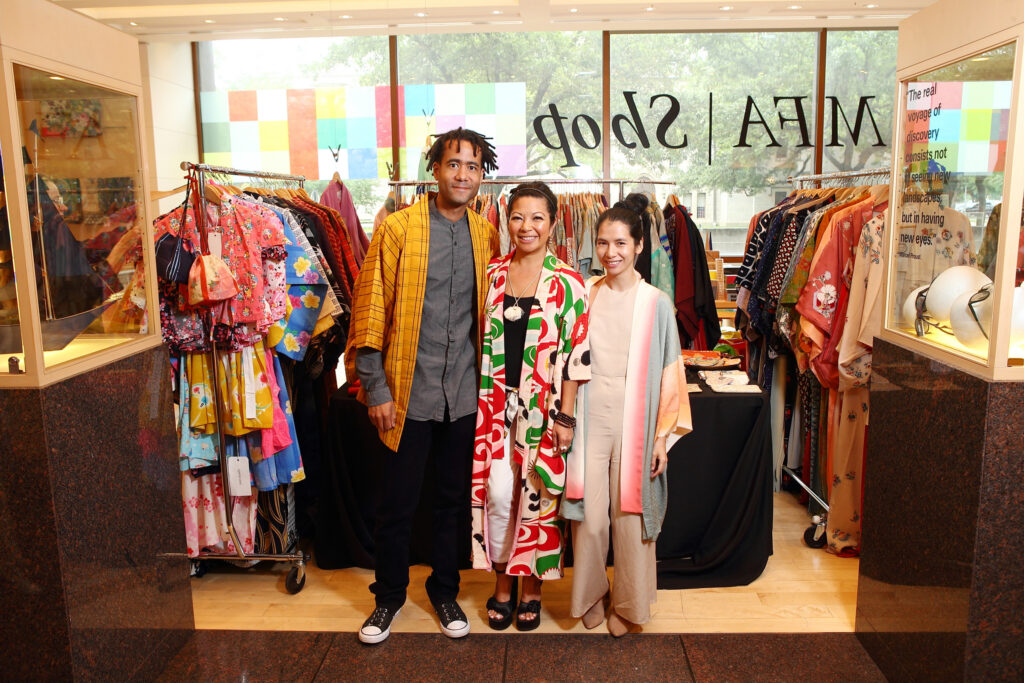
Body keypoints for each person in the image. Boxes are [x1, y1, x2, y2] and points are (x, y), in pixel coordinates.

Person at [345, 128, 500, 644]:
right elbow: (370, 309)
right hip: (407, 391)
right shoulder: (399, 228)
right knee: (397, 503)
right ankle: (388, 597)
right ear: (435, 169)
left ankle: (445, 589)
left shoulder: (486, 234)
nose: (463, 174)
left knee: (453, 501)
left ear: (482, 175)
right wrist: (378, 389)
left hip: (464, 393)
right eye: (453, 163)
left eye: (473, 166)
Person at [561, 194, 690, 637]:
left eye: (620, 243)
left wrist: (660, 438)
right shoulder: (585, 293)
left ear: (638, 245)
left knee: (631, 518)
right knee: (590, 516)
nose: (610, 253)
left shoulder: (657, 302)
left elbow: (672, 371)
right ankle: (591, 594)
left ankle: (631, 604)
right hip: (590, 414)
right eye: (602, 243)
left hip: (637, 418)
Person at [470, 181, 591, 631]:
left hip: (545, 408)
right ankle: (501, 584)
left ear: (553, 223)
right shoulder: (494, 274)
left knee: (537, 498)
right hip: (494, 406)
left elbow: (579, 355)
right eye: (518, 216)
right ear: (507, 220)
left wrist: (565, 415)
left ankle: (532, 589)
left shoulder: (568, 282)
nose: (527, 226)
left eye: (537, 217)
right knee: (500, 494)